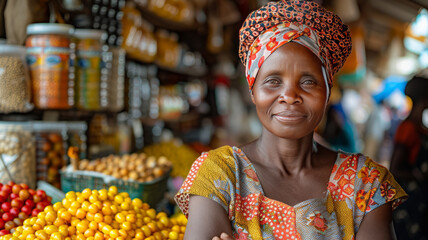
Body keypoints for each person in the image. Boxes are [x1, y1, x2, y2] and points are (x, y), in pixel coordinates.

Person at [175, 1, 407, 239]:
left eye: (308, 81)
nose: (290, 96)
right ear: (253, 92)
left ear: (328, 92)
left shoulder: (366, 183)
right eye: (273, 81)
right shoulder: (219, 174)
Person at [390, 70, 428, 240]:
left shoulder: (420, 129)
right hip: (411, 203)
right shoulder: (408, 129)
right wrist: (418, 175)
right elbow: (394, 168)